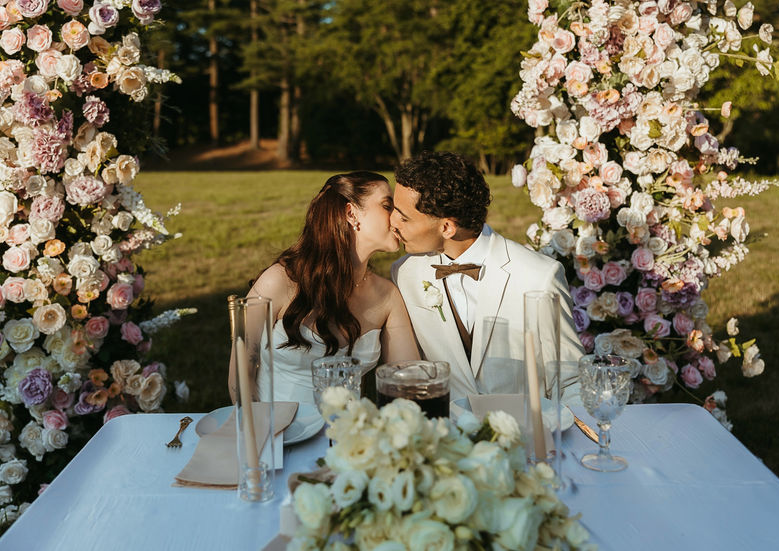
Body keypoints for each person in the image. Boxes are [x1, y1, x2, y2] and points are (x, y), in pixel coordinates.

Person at [390, 151, 583, 401]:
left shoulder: (539, 277)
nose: (392, 222)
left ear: (447, 227)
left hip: (521, 431)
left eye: (403, 217)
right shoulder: (405, 273)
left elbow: (570, 378)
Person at [228, 172, 419, 404]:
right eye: (387, 206)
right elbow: (241, 376)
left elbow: (409, 383)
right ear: (351, 214)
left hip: (349, 436)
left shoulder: (387, 296)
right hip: (277, 432)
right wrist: (260, 432)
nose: (397, 218)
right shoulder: (279, 281)